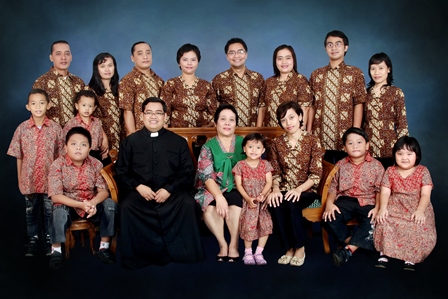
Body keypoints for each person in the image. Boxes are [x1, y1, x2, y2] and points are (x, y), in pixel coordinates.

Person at [115, 97, 205, 269]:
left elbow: (187, 172)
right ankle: (141, 256)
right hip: (141, 194)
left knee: (187, 203)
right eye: (148, 112)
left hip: (171, 194)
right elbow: (121, 172)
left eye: (158, 113)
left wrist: (168, 189)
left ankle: (183, 253)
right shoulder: (129, 142)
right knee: (127, 207)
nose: (153, 116)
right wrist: (139, 187)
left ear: (165, 116)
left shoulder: (178, 142)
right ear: (141, 116)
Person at [47, 127, 117, 270]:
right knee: (58, 211)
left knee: (110, 204)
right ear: (65, 147)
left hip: (91, 205)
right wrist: (80, 205)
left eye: (83, 145)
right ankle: (56, 251)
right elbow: (55, 196)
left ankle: (104, 247)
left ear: (89, 148)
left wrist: (92, 203)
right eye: (73, 144)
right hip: (69, 205)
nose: (78, 148)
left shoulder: (96, 164)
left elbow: (103, 191)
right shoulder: (57, 165)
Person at [7, 89, 64, 257]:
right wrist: (20, 179)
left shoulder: (55, 128)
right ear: (28, 106)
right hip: (29, 179)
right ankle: (33, 240)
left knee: (49, 213)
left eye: (41, 103)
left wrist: (57, 181)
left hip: (49, 181)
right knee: (30, 213)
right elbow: (19, 157)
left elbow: (60, 156)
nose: (38, 107)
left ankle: (49, 240)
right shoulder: (22, 129)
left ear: (49, 105)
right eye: (33, 103)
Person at [266, 101, 324, 266]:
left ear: (300, 116)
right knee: (276, 202)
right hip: (284, 188)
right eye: (283, 120)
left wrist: (298, 189)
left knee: (292, 201)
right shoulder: (277, 143)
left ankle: (299, 247)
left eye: (291, 117)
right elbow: (275, 171)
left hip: (307, 189)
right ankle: (288, 248)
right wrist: (275, 189)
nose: (288, 123)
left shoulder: (312, 140)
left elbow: (316, 174)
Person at [322, 127, 384, 266]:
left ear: (367, 145)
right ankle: (357, 244)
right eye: (350, 143)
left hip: (369, 199)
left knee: (373, 221)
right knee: (328, 217)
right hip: (346, 199)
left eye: (359, 142)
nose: (355, 146)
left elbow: (380, 190)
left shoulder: (376, 166)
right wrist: (329, 204)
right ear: (344, 147)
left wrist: (378, 208)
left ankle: (348, 251)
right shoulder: (340, 164)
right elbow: (333, 187)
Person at [374, 136, 436, 271]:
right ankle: (384, 252)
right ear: (394, 155)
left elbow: (426, 195)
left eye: (409, 154)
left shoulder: (423, 171)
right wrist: (383, 208)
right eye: (400, 153)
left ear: (417, 155)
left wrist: (420, 210)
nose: (404, 157)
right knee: (384, 220)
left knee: (416, 225)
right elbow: (384, 192)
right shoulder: (390, 171)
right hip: (395, 204)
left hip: (417, 205)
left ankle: (410, 256)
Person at [195, 104, 246, 262]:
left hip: (238, 186)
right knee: (209, 208)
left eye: (231, 120)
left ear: (236, 124)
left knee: (235, 203)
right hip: (213, 187)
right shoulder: (207, 147)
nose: (227, 123)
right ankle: (222, 244)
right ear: (215, 123)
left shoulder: (244, 143)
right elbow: (206, 176)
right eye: (223, 119)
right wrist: (219, 196)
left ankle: (234, 245)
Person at [309, 30, 367, 163]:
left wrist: (355, 133)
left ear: (345, 47)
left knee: (344, 177)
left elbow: (359, 103)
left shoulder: (355, 73)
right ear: (325, 48)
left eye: (338, 44)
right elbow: (312, 105)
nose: (333, 47)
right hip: (320, 137)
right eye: (330, 44)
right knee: (323, 179)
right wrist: (309, 131)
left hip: (344, 137)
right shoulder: (316, 74)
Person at [232, 133, 273, 265]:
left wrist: (263, 194)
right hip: (249, 201)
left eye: (258, 147)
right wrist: (248, 198)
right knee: (249, 226)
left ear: (263, 150)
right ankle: (248, 252)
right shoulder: (240, 165)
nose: (254, 150)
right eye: (250, 147)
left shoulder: (265, 164)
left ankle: (259, 252)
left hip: (262, 201)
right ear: (244, 148)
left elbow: (269, 183)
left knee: (266, 225)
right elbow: (238, 185)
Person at [364, 52, 409, 168]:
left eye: (380, 68)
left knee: (388, 182)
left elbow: (401, 122)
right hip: (368, 148)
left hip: (390, 147)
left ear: (388, 69)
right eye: (373, 68)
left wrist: (402, 148)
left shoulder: (396, 92)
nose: (376, 72)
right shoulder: (366, 93)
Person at [160, 43, 217, 127]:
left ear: (198, 62)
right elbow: (165, 113)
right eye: (185, 59)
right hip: (176, 135)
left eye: (193, 60)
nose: (189, 63)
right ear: (179, 62)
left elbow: (213, 114)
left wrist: (208, 131)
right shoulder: (170, 84)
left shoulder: (206, 86)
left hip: (202, 135)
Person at [212, 38, 265, 127]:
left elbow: (262, 106)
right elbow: (213, 109)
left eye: (240, 51)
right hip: (228, 133)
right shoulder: (219, 79)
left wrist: (257, 131)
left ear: (246, 54)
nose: (236, 55)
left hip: (252, 134)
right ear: (227, 57)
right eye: (232, 52)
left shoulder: (257, 78)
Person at [33, 40, 85, 127]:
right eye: (58, 54)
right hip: (51, 136)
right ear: (51, 57)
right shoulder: (41, 82)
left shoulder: (78, 82)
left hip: (76, 136)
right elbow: (36, 114)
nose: (63, 57)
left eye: (67, 53)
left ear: (71, 57)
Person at [260, 44, 313, 128]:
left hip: (291, 132)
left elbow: (305, 109)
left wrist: (300, 135)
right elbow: (262, 108)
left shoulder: (300, 80)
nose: (284, 62)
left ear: (293, 60)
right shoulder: (269, 82)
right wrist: (258, 132)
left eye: (288, 58)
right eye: (280, 58)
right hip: (270, 133)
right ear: (275, 61)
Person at [119, 41, 164, 135]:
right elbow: (127, 111)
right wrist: (132, 135)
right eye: (140, 53)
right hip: (139, 133)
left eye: (148, 53)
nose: (145, 56)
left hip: (158, 132)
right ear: (132, 58)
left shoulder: (159, 80)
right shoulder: (128, 80)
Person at [62, 90, 109, 164]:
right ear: (77, 106)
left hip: (95, 156)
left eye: (90, 106)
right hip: (78, 156)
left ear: (94, 108)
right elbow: (64, 142)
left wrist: (105, 143)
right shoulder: (71, 123)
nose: (87, 108)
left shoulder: (96, 122)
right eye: (84, 105)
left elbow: (101, 139)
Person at [88, 52, 122, 152]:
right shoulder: (90, 91)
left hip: (121, 139)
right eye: (102, 66)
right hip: (102, 141)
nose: (107, 69)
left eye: (110, 65)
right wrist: (103, 136)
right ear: (96, 69)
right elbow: (88, 117)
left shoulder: (121, 89)